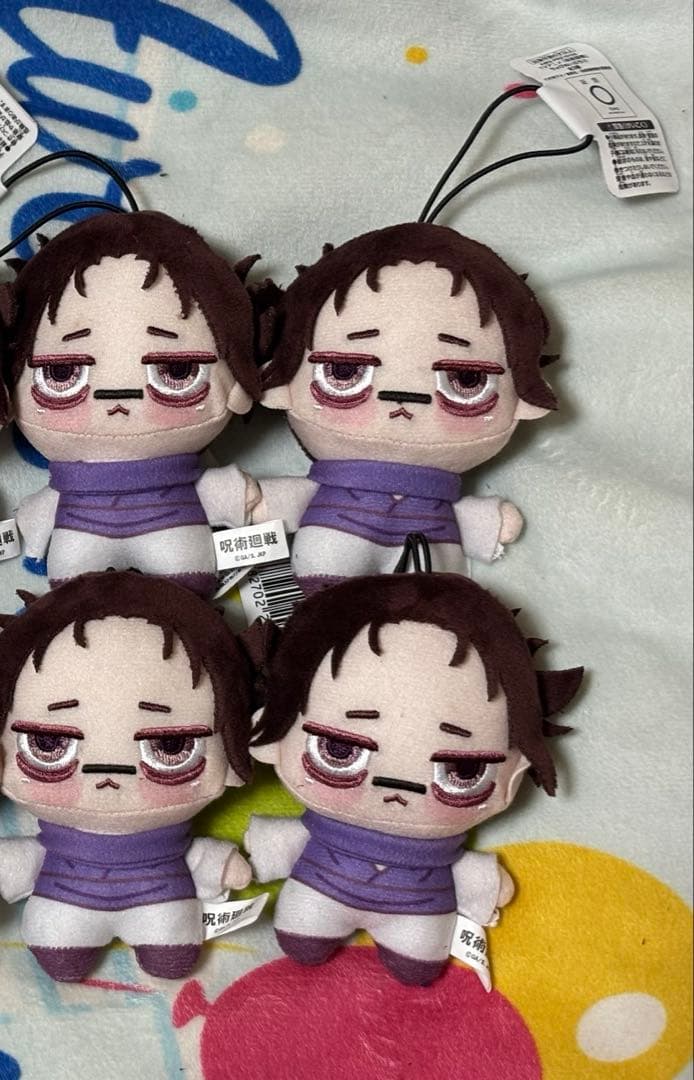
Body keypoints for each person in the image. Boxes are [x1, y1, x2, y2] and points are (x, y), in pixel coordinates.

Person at [246, 571, 582, 985]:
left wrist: (484, 883)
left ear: (517, 769)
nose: (396, 788)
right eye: (340, 750)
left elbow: (467, 872)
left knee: (416, 962)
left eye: (462, 770)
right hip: (322, 893)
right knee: (304, 937)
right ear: (270, 735)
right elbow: (281, 844)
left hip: (418, 914)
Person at [255, 222, 557, 592]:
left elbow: (261, 505)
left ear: (524, 399)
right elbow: (274, 502)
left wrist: (485, 520)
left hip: (429, 578)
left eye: (466, 379)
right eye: (345, 371)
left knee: (426, 603)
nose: (403, 395)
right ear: (281, 385)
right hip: (331, 573)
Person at [0, 570, 254, 981]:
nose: (108, 772)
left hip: (163, 906)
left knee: (169, 954)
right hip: (67, 907)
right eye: (48, 743)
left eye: (170, 745)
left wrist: (221, 864)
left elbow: (200, 857)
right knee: (60, 949)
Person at [7, 210, 263, 595]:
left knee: (179, 590)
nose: (117, 395)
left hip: (173, 535)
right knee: (77, 595)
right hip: (90, 536)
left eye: (176, 370)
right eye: (62, 373)